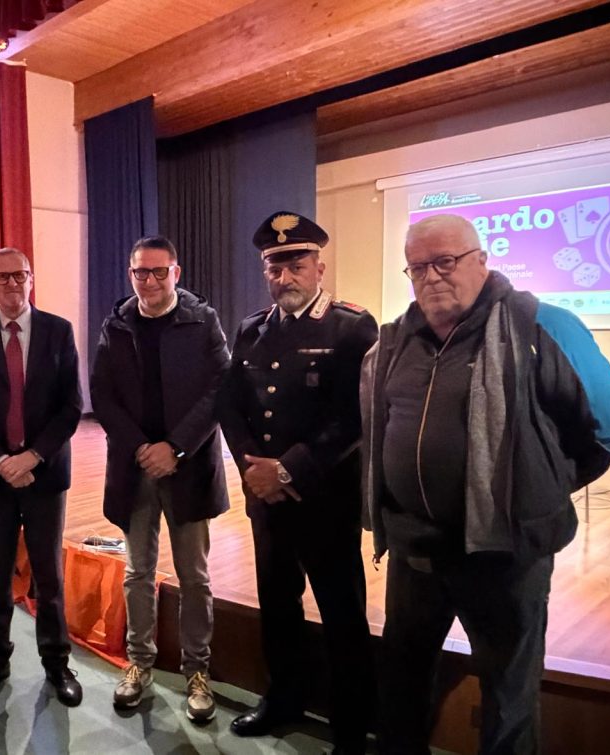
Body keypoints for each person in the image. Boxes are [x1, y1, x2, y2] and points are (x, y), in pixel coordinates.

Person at [360, 214, 610, 754]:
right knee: (402, 681)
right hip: (416, 553)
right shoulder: (395, 340)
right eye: (417, 267)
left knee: (508, 695)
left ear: (481, 260)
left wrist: (539, 486)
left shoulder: (542, 327)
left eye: (445, 262)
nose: (432, 277)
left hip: (505, 557)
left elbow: (608, 428)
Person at [217, 211, 378, 753]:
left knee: (341, 612)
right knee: (278, 603)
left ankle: (351, 725)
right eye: (274, 267)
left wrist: (287, 469)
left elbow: (353, 418)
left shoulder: (352, 327)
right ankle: (284, 698)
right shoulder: (252, 329)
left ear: (319, 267)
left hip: (324, 498)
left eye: (296, 264)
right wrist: (253, 470)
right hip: (267, 500)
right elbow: (231, 405)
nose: (284, 276)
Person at [90, 235, 230, 722]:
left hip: (187, 467)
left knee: (194, 576)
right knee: (137, 572)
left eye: (158, 271)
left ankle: (197, 671)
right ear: (130, 274)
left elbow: (220, 388)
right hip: (134, 468)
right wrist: (141, 448)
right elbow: (102, 394)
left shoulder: (202, 320)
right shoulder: (116, 323)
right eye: (140, 272)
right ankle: (139, 663)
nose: (148, 281)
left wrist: (176, 447)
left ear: (176, 272)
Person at [0, 247, 83, 707]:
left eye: (19, 275)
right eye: (2, 277)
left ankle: (57, 663)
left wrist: (32, 457)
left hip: (44, 475)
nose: (12, 284)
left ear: (31, 278)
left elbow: (71, 406)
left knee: (49, 576)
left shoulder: (58, 330)